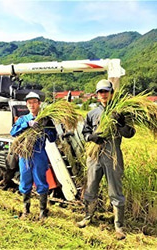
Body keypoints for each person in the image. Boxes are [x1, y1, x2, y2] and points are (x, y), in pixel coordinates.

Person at [77, 79, 136, 240]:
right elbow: (85, 133)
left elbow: (130, 133)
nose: (103, 94)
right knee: (90, 187)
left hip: (113, 155)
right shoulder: (92, 113)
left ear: (111, 92)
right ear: (97, 95)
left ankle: (119, 226)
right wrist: (91, 137)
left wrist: (122, 123)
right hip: (94, 155)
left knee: (115, 190)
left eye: (106, 91)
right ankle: (87, 217)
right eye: (100, 92)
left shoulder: (120, 111)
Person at [10, 91, 57, 220]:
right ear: (26, 104)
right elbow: (13, 132)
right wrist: (27, 125)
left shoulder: (45, 119)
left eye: (34, 102)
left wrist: (47, 128)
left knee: (41, 182)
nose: (32, 104)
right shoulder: (22, 119)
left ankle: (43, 211)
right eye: (29, 102)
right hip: (24, 155)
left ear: (39, 103)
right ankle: (26, 210)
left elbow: (53, 138)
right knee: (25, 182)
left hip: (39, 154)